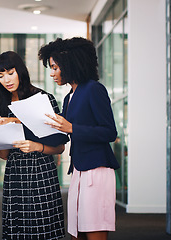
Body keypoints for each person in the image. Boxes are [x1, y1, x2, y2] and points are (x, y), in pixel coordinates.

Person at [39, 37, 120, 240]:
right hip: (79, 169)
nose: (52, 73)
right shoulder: (69, 96)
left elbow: (110, 132)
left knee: (93, 229)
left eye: (55, 67)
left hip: (97, 169)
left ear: (70, 64)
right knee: (76, 231)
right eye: (51, 67)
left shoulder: (94, 89)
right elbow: (66, 132)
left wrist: (72, 127)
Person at [0, 51, 69, 240]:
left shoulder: (43, 98)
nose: (6, 80)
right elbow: (3, 155)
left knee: (44, 229)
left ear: (21, 71)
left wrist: (36, 146)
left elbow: (60, 147)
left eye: (10, 73)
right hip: (15, 174)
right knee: (16, 231)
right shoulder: (0, 104)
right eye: (0, 76)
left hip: (42, 172)